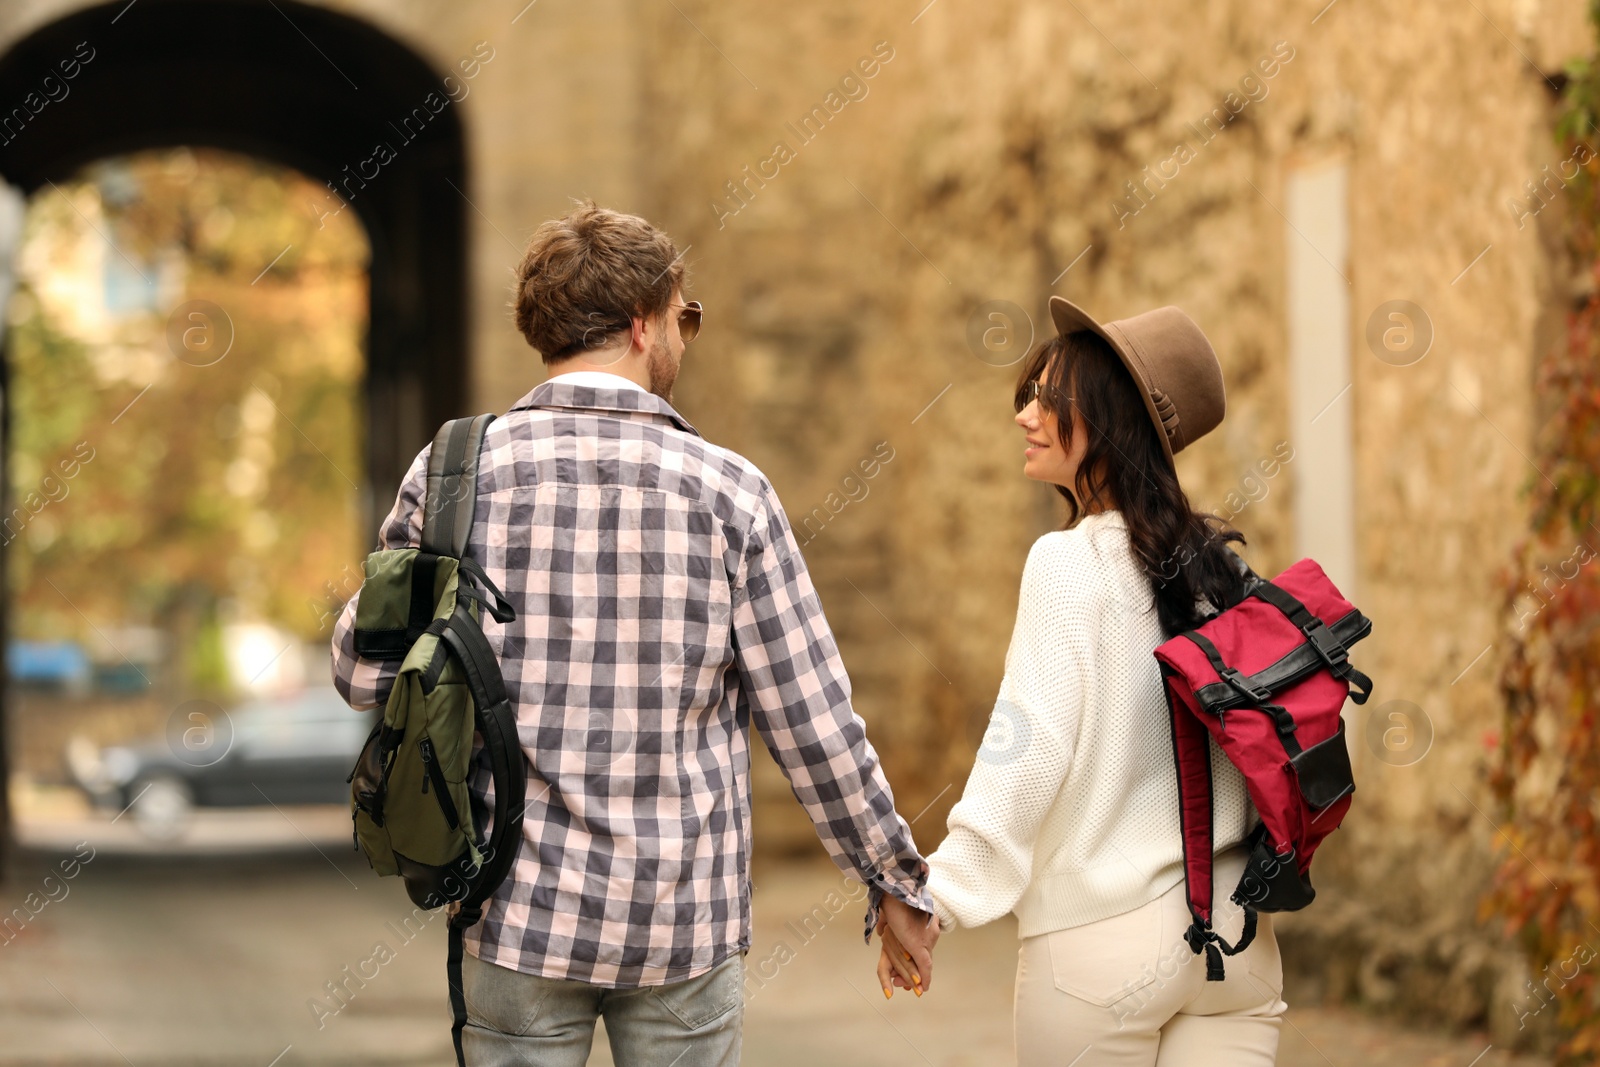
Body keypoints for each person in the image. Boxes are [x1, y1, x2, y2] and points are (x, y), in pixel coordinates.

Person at [331, 201, 939, 1066]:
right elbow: (814, 723)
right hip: (681, 925)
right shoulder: (731, 494)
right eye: (685, 317)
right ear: (642, 322)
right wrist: (895, 880)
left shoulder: (456, 473)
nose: (686, 339)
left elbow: (363, 672)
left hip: (514, 910)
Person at [878, 298, 1286, 1065]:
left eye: (1051, 399)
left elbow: (1026, 752)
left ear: (1111, 422)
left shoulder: (1066, 565)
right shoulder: (1221, 568)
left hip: (1102, 951)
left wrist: (935, 897)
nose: (1026, 414)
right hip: (1238, 943)